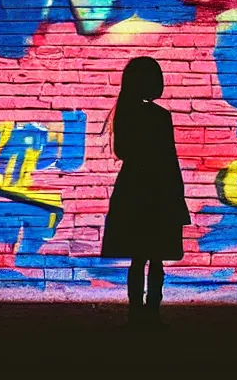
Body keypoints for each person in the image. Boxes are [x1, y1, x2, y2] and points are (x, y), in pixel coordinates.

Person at [101, 56, 191, 327]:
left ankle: (135, 312)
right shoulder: (160, 116)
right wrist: (178, 195)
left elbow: (122, 151)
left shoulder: (124, 112)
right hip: (160, 188)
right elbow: (169, 157)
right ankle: (152, 310)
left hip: (133, 187)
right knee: (156, 255)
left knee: (138, 257)